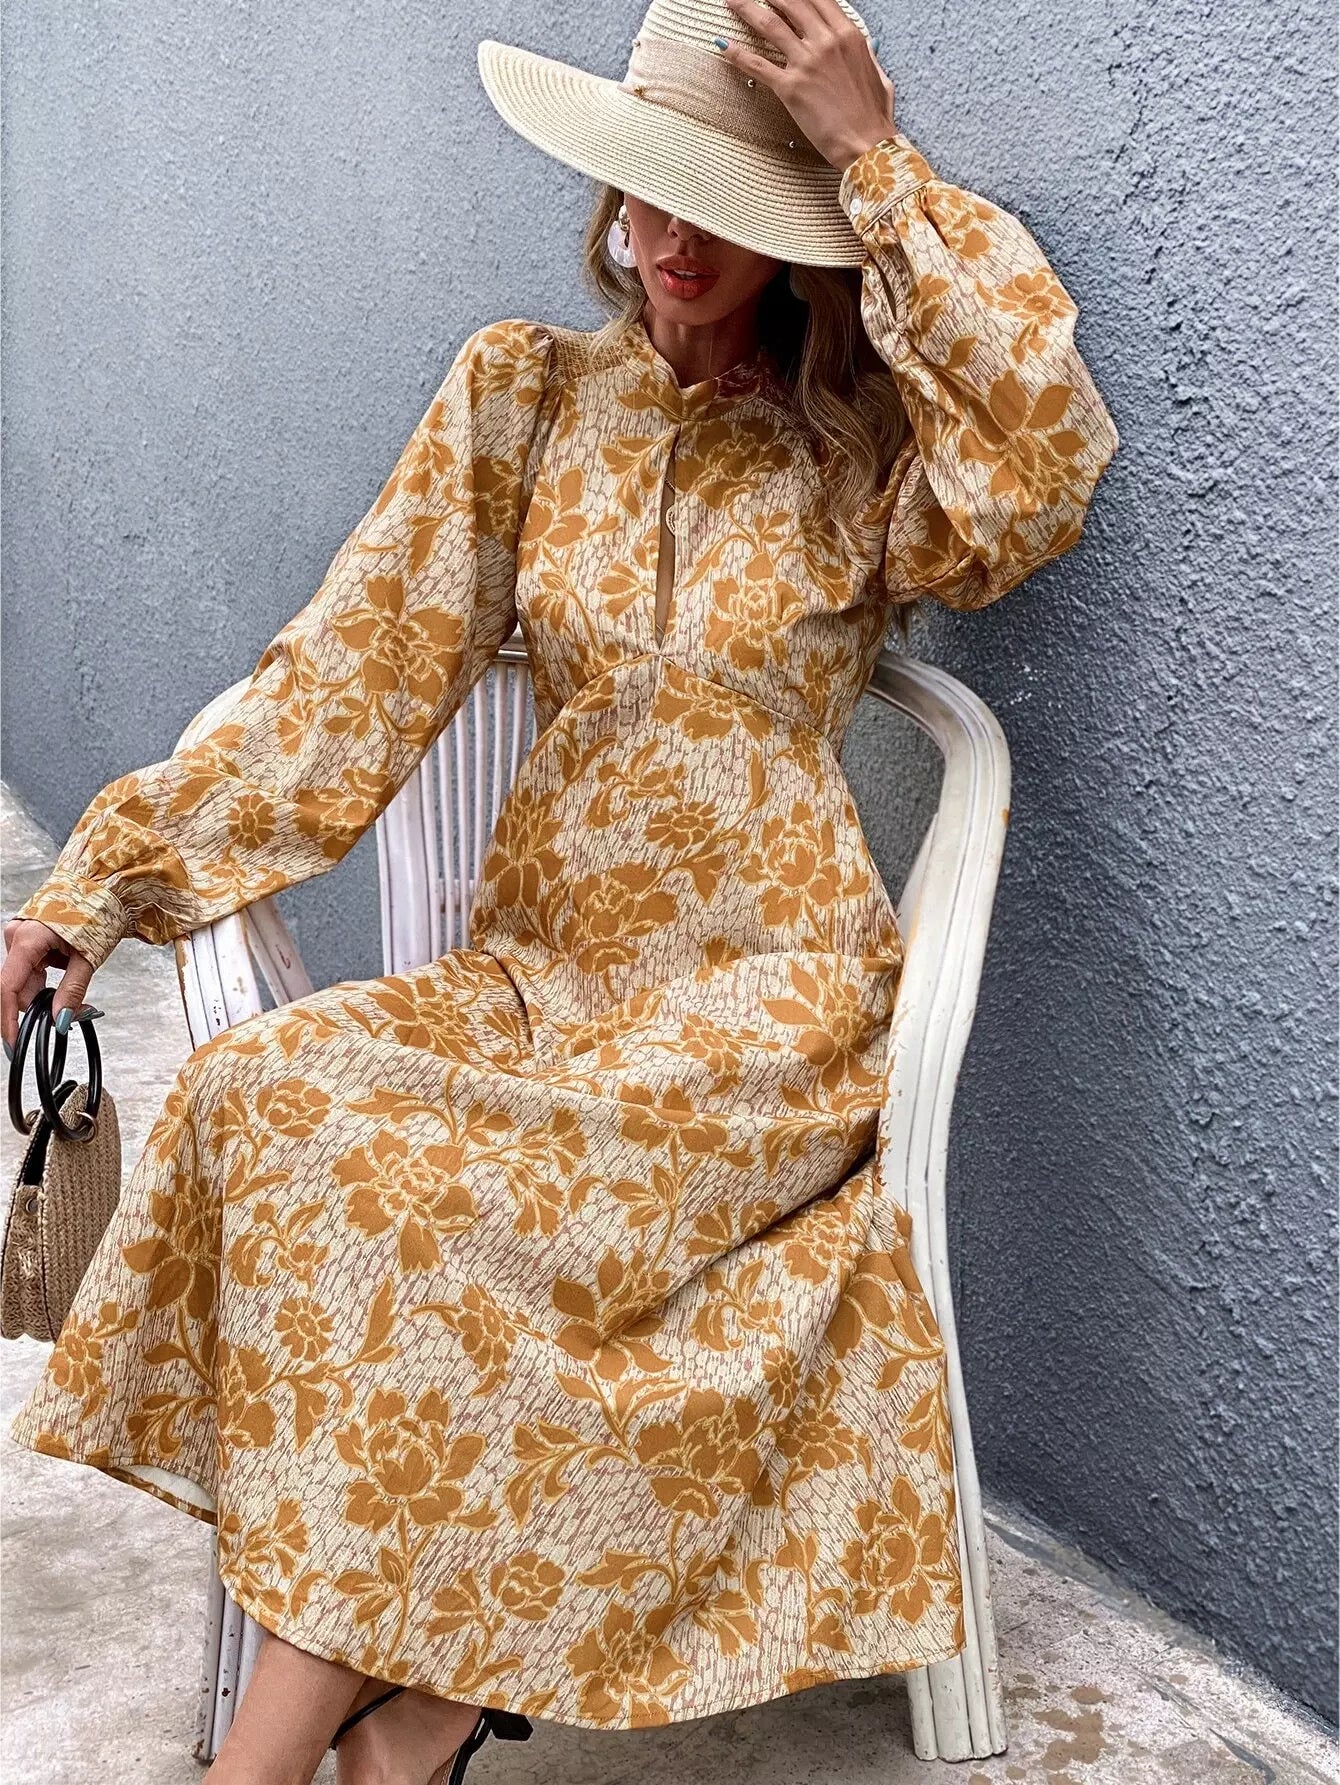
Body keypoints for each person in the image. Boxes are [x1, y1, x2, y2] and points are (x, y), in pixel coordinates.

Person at [1, 1, 1119, 1780]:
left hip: (768, 996)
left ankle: (276, 1759)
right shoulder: (527, 397)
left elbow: (1043, 465)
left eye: (722, 209)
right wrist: (101, 883)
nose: (669, 242)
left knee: (454, 1192)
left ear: (797, 235)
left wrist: (874, 161)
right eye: (646, 191)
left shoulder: (860, 452)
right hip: (545, 973)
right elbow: (347, 676)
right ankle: (416, 1721)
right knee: (271, 1099)